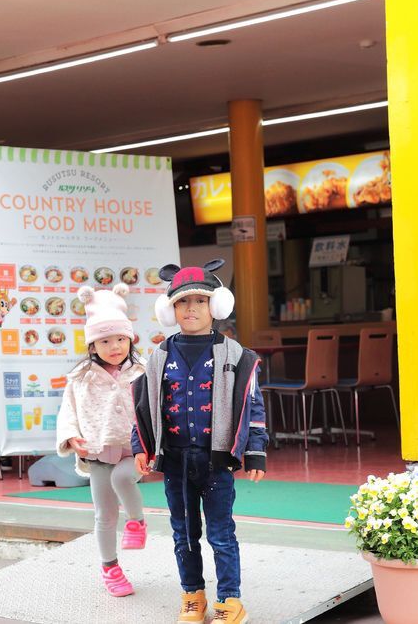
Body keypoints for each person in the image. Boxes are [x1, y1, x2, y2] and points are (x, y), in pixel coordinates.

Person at [131, 259, 268, 624]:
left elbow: (253, 405)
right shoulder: (159, 356)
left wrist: (255, 451)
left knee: (221, 535)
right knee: (184, 534)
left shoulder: (236, 355)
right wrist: (139, 447)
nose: (191, 309)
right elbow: (143, 407)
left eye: (200, 301)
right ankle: (193, 595)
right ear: (169, 309)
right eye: (181, 302)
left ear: (217, 306)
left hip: (216, 461)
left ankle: (230, 600)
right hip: (174, 460)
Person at [56, 283, 147, 598]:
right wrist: (71, 436)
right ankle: (110, 568)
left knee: (124, 478)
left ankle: (136, 521)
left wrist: (153, 441)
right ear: (93, 345)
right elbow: (68, 410)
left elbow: (155, 405)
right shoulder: (81, 376)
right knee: (104, 514)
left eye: (121, 339)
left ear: (129, 339)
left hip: (133, 449)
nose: (115, 346)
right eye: (105, 341)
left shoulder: (140, 371)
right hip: (97, 450)